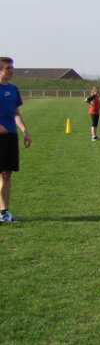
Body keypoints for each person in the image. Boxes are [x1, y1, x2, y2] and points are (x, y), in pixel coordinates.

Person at [0, 57, 32, 224]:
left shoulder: (13, 89)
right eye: (8, 68)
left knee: (6, 175)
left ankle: (4, 212)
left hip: (11, 136)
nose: (11, 71)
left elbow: (16, 113)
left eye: (12, 68)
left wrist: (24, 131)